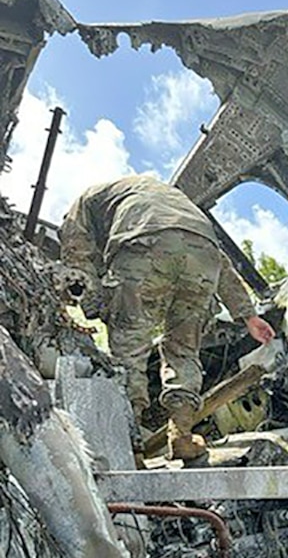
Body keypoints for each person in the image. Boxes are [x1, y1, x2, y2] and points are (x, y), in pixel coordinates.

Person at [60, 174, 275, 460]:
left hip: (143, 243)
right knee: (184, 349)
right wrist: (248, 316)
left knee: (130, 348)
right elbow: (220, 262)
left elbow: (76, 255)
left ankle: (131, 448)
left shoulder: (86, 200)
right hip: (204, 252)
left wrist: (94, 304)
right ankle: (182, 436)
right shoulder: (171, 198)